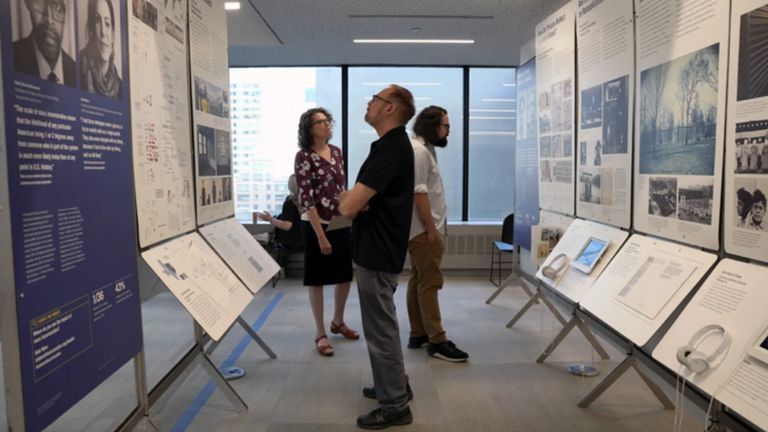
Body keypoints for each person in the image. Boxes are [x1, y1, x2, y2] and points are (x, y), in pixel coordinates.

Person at [339, 85, 415, 429]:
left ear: (390, 108)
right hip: (380, 248)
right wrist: (356, 199)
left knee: (380, 329)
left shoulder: (391, 148)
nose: (369, 103)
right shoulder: (390, 146)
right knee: (384, 324)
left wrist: (352, 200)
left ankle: (395, 405)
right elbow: (358, 201)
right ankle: (396, 385)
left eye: (375, 99)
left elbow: (348, 206)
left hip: (378, 251)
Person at [406, 106, 468, 363]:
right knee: (430, 283)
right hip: (424, 230)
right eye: (445, 126)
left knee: (418, 280)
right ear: (432, 126)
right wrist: (431, 229)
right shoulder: (419, 151)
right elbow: (419, 193)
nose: (448, 130)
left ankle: (418, 333)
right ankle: (437, 340)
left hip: (422, 228)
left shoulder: (425, 148)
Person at [294, 107, 357, 357]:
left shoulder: (337, 152)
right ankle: (320, 333)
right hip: (314, 224)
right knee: (317, 278)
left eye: (328, 120)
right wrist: (321, 236)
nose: (327, 124)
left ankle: (338, 321)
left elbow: (341, 188)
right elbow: (306, 199)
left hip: (339, 221)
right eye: (321, 122)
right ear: (310, 129)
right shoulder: (303, 156)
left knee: (344, 275)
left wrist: (352, 207)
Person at [13, 0, 76, 86]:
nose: (49, 20)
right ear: (27, 3)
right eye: (41, 2)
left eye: (57, 7)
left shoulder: (79, 74)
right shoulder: (10, 57)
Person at [80, 0, 122, 99]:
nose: (103, 32)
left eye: (107, 23)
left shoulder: (120, 87)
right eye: (97, 21)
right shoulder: (78, 72)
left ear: (113, 34)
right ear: (91, 30)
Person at [254, 174, 303, 254]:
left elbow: (287, 225)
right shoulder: (307, 201)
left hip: (292, 244)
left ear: (290, 186)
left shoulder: (289, 202)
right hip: (304, 242)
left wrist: (270, 219)